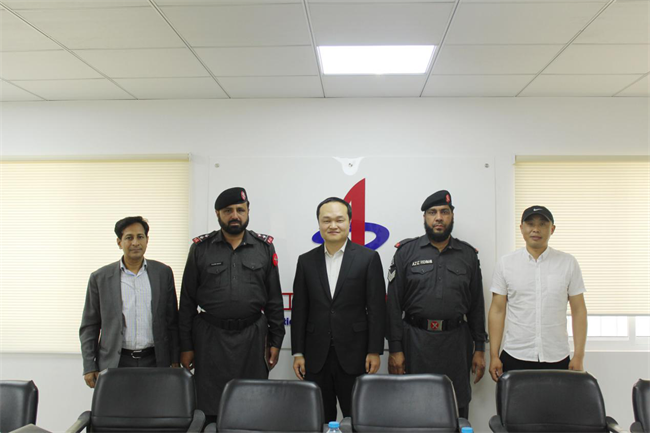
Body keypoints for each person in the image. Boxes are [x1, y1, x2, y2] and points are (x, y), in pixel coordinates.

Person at [178, 187, 285, 420]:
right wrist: (186, 346)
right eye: (228, 211)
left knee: (253, 404)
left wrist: (276, 340)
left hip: (253, 337)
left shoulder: (264, 247)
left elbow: (274, 300)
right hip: (210, 339)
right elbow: (187, 302)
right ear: (217, 214)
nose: (235, 215)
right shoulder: (200, 248)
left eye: (240, 210)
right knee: (210, 407)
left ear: (248, 211)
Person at [386, 190, 487, 419]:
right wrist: (395, 349)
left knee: (456, 410)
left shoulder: (468, 255)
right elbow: (393, 305)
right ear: (424, 217)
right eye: (432, 212)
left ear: (452, 216)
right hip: (415, 343)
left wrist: (480, 348)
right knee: (413, 409)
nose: (439, 218)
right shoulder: (406, 252)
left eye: (444, 212)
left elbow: (476, 306)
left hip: (456, 345)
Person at [291, 197, 386, 422]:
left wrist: (374, 350)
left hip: (356, 355)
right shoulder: (305, 261)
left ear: (349, 222)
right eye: (326, 220)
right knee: (320, 419)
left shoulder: (368, 258)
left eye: (339, 220)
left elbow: (376, 308)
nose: (333, 225)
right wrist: (298, 353)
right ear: (319, 223)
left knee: (357, 419)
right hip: (316, 356)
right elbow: (300, 310)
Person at [488, 205, 587, 381]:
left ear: (552, 229)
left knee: (557, 401)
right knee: (513, 401)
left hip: (556, 356)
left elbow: (578, 310)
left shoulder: (568, 263)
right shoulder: (506, 264)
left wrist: (578, 355)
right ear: (521, 228)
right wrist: (494, 355)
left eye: (542, 224)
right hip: (515, 355)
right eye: (530, 224)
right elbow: (497, 310)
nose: (536, 229)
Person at [79, 216, 180, 388]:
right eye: (129, 237)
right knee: (117, 405)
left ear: (147, 240)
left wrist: (175, 358)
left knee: (154, 404)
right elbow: (89, 326)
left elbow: (172, 321)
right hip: (116, 362)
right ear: (119, 242)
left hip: (155, 360)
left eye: (140, 237)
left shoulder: (163, 273)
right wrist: (89, 366)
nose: (135, 243)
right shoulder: (100, 278)